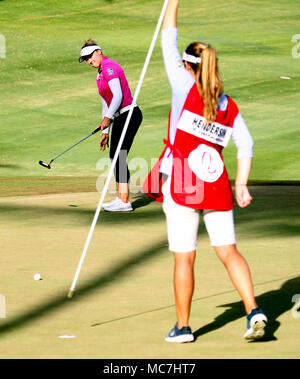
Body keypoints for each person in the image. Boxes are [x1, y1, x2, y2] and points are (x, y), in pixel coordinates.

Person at [144, 0, 267, 343]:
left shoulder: (183, 87)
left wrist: (172, 2)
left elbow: (167, 40)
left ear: (187, 65)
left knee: (185, 258)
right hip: (216, 187)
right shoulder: (226, 102)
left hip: (184, 185)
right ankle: (253, 310)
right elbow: (246, 145)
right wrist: (241, 185)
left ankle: (183, 328)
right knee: (229, 251)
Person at [79, 39, 143, 212]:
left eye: (90, 57)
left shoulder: (109, 67)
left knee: (118, 155)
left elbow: (118, 96)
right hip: (120, 116)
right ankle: (122, 199)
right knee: (115, 155)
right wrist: (105, 131)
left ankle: (124, 201)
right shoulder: (99, 75)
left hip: (129, 113)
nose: (89, 61)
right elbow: (106, 104)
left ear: (98, 52)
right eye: (85, 59)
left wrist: (107, 118)